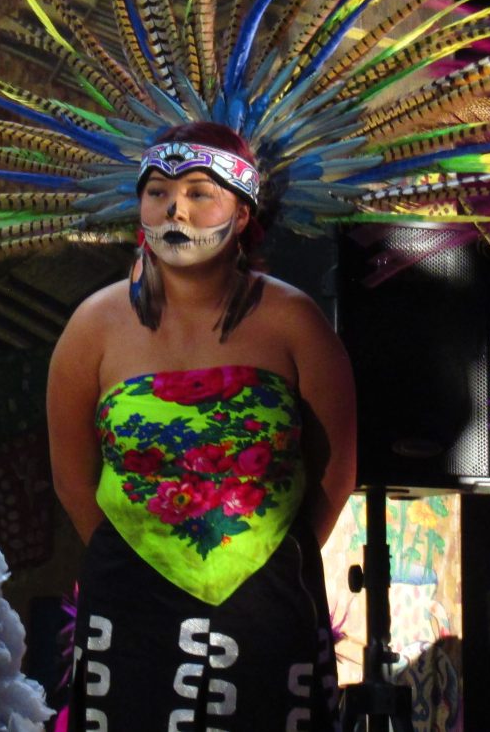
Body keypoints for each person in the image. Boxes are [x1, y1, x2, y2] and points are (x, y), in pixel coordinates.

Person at [47, 121, 356, 730]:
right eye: (158, 191)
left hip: (266, 609)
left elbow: (336, 472)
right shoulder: (93, 328)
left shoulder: (296, 322)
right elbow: (72, 481)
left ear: (241, 213)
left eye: (198, 192)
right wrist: (137, 562)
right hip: (130, 612)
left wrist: (266, 564)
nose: (175, 210)